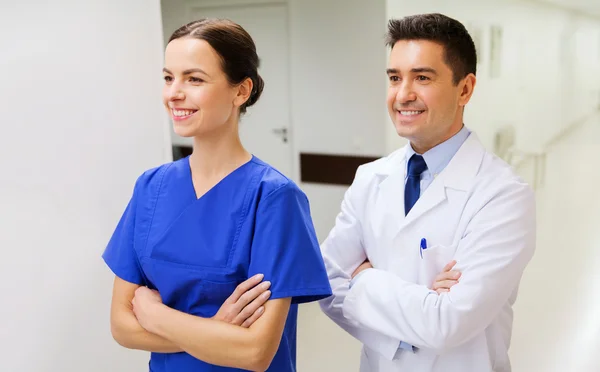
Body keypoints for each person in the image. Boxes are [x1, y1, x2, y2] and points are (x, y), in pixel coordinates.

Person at [102, 18, 332, 372]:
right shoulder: (150, 187)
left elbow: (255, 352)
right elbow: (121, 326)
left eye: (194, 79)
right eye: (168, 77)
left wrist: (155, 314)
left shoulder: (273, 198)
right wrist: (215, 331)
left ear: (241, 91)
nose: (174, 93)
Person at [319, 13, 536, 372]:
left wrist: (363, 279)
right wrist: (416, 314)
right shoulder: (370, 178)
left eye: (422, 77)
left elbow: (447, 324)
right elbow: (326, 282)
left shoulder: (504, 196)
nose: (403, 95)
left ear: (465, 89)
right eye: (394, 78)